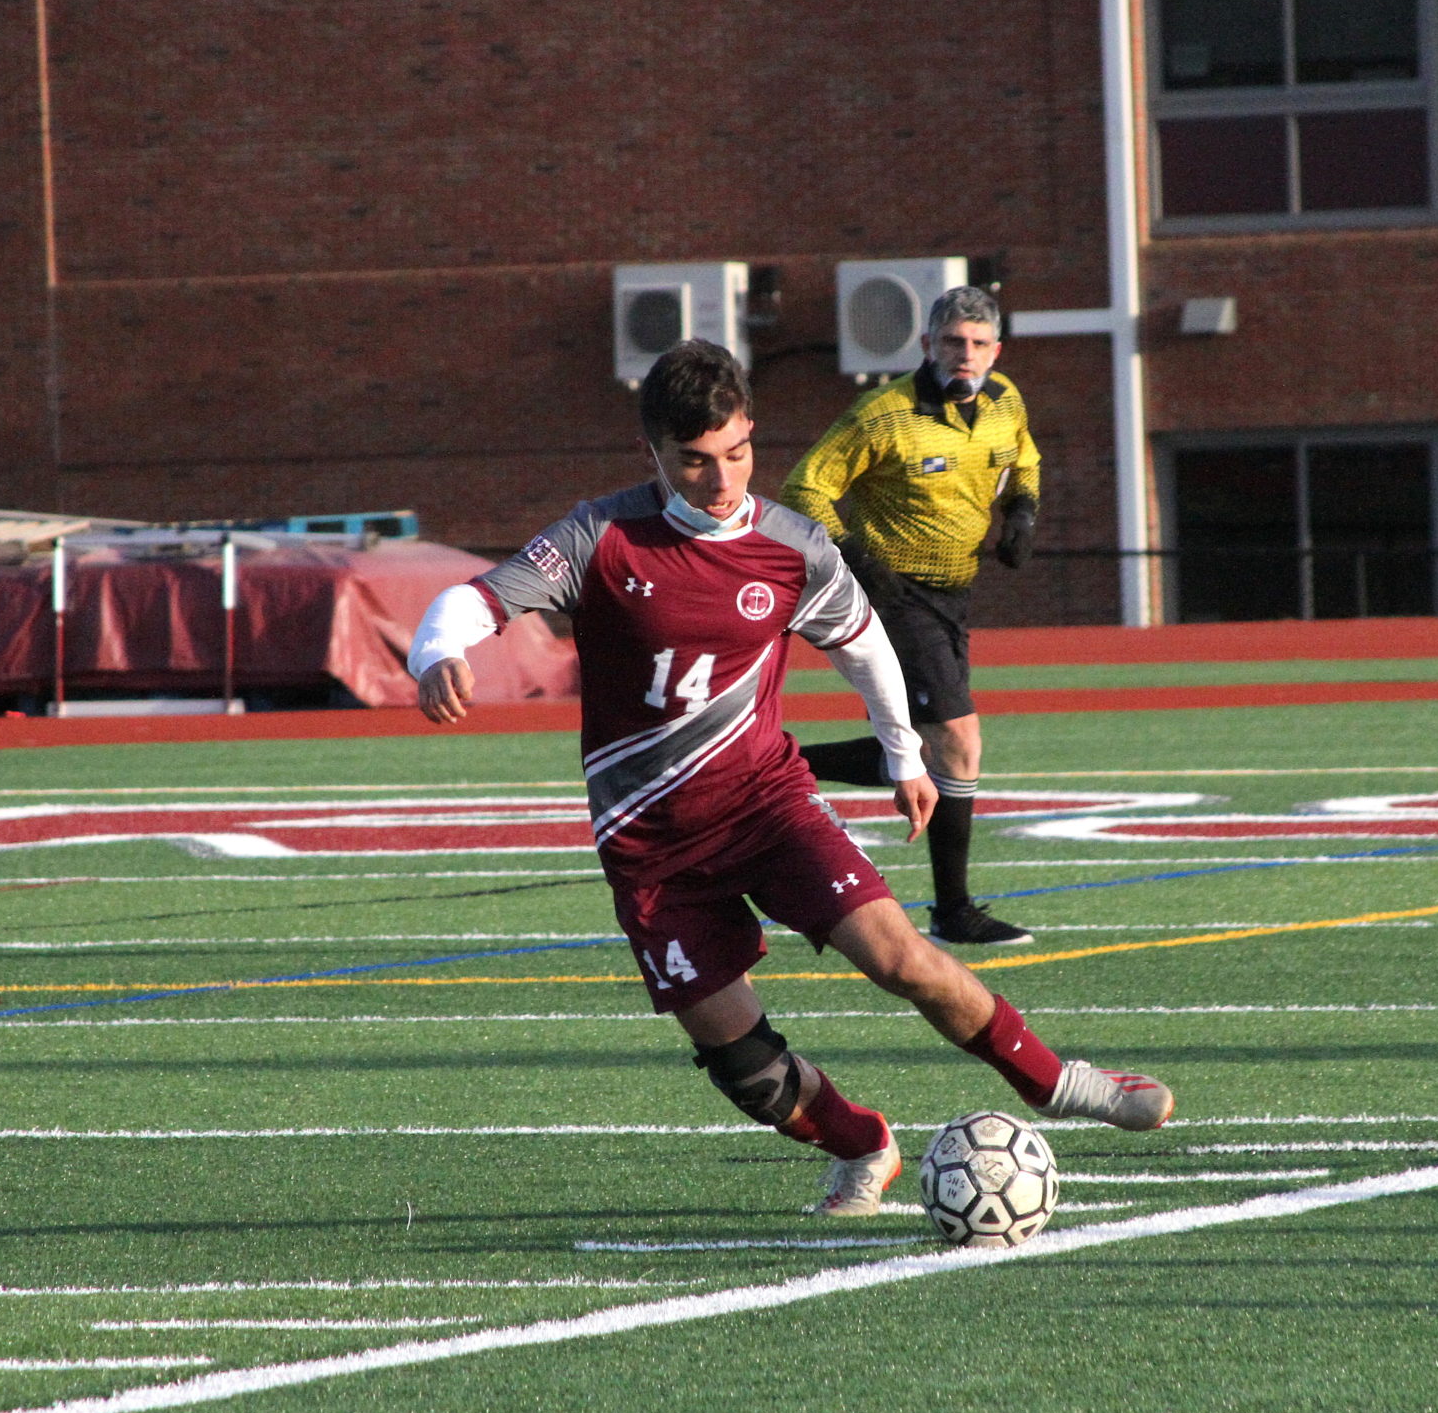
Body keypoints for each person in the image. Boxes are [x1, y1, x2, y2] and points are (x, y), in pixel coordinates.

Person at [410, 339, 1169, 1217]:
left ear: (751, 434)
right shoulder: (601, 536)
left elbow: (862, 643)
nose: (721, 478)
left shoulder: (791, 546)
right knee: (747, 1071)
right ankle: (865, 1143)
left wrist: (903, 755)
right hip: (650, 850)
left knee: (904, 959)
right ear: (652, 454)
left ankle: (1059, 1082)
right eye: (694, 460)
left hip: (766, 806)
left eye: (736, 453)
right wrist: (438, 652)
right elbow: (476, 598)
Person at [779, 285, 1039, 947]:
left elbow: (1023, 456)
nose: (966, 354)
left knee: (928, 749)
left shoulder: (1004, 399)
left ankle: (768, 767)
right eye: (954, 341)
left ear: (996, 351)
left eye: (979, 344)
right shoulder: (884, 413)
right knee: (958, 737)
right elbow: (805, 485)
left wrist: (1023, 510)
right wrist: (858, 554)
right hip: (891, 595)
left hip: (953, 595)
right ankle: (953, 910)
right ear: (927, 343)